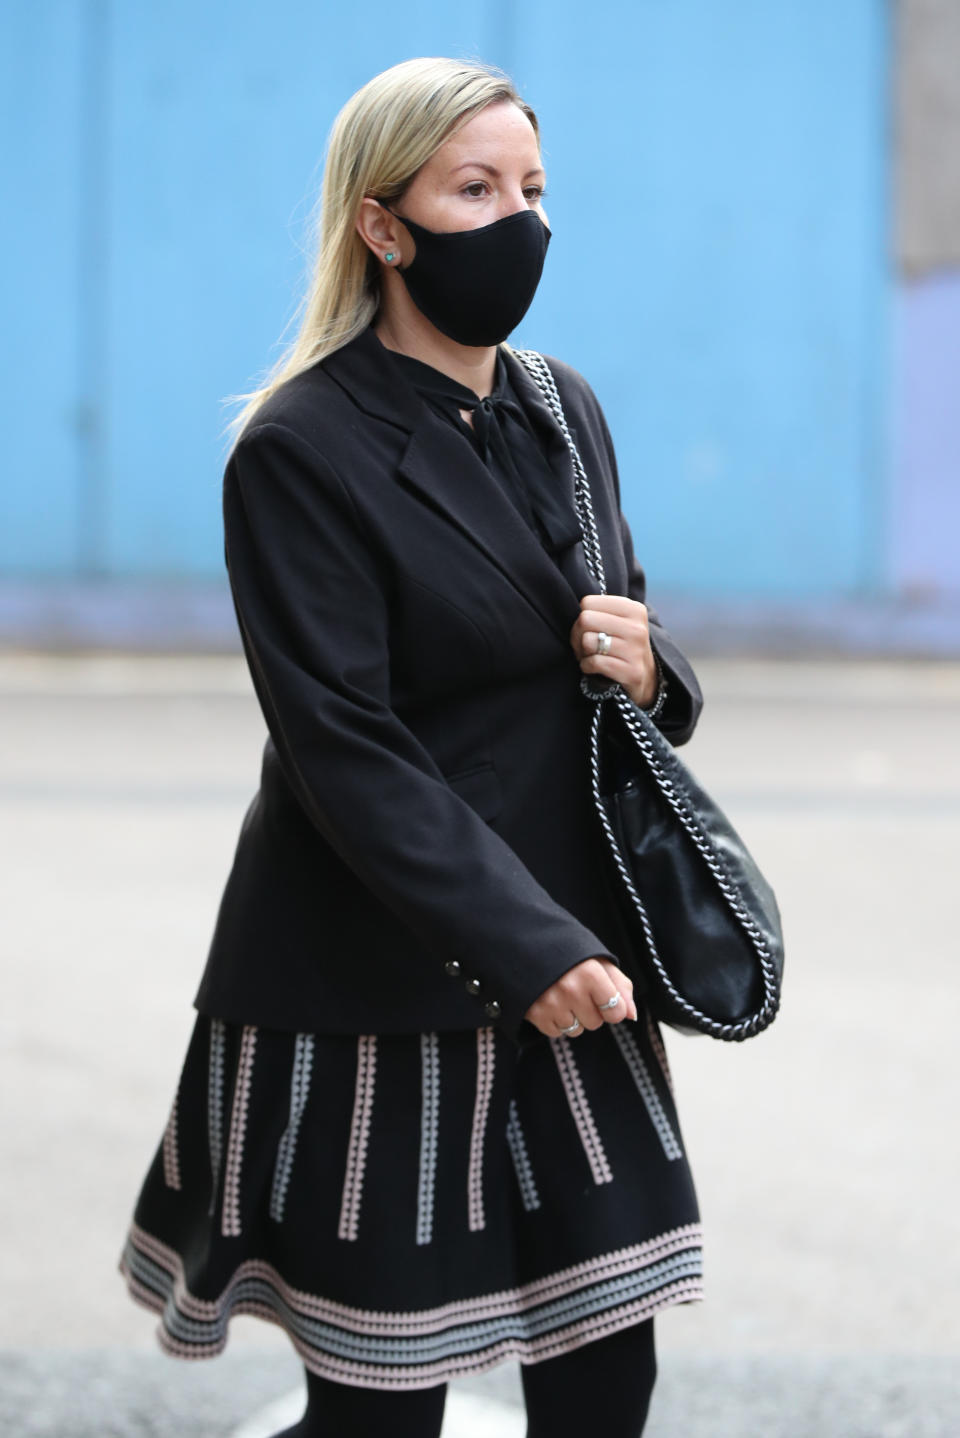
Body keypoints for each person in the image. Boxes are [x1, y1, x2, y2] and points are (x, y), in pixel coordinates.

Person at [118, 56, 706, 1438]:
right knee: (381, 1398)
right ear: (384, 225)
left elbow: (618, 652)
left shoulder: (563, 408)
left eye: (535, 189)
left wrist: (652, 662)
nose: (521, 221)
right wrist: (524, 944)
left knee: (608, 1366)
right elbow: (344, 744)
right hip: (386, 970)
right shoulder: (299, 446)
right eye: (476, 188)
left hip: (576, 959)